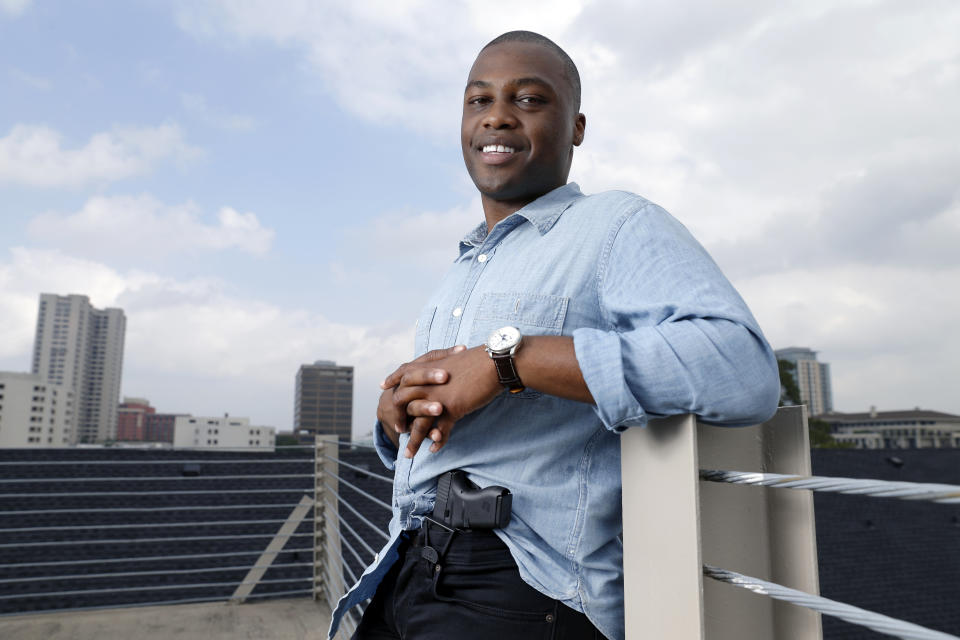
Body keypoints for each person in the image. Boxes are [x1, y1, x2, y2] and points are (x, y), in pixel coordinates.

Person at [328, 30, 779, 640]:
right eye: (478, 100)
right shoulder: (460, 268)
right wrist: (400, 413)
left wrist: (508, 363)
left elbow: (740, 368)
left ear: (577, 127)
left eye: (530, 99)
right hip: (408, 564)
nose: (498, 117)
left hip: (522, 585)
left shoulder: (617, 225)